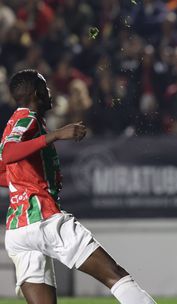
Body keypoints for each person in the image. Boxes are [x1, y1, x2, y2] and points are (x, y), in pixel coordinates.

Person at [0, 69, 156, 304]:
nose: (50, 91)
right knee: (115, 276)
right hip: (43, 219)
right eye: (45, 86)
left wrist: (26, 181)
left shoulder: (18, 121)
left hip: (18, 231)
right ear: (36, 93)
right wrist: (56, 135)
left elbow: (6, 168)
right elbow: (10, 152)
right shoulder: (26, 118)